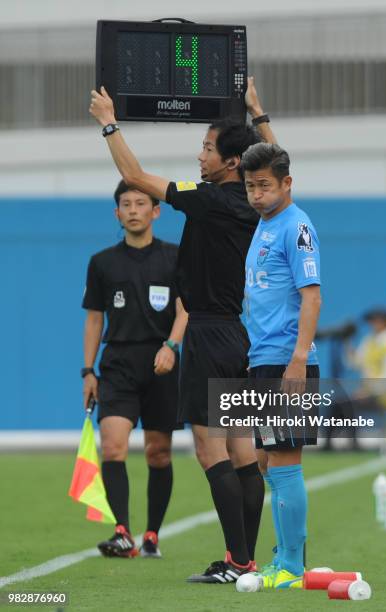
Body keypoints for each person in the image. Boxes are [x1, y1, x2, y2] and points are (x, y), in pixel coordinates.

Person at [89, 78, 276, 582]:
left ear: (231, 163)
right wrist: (257, 115)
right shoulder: (256, 202)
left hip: (210, 334)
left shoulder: (210, 200)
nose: (200, 155)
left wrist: (108, 122)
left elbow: (134, 175)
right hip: (237, 333)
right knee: (241, 451)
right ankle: (245, 561)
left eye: (207, 147)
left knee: (210, 449)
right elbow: (275, 163)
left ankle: (237, 562)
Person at [82, 180, 188, 558]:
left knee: (158, 453)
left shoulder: (176, 257)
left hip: (162, 364)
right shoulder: (102, 263)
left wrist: (172, 346)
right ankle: (123, 532)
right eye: (125, 204)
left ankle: (152, 535)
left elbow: (184, 308)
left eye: (140, 203)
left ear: (155, 211)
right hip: (117, 366)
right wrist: (87, 371)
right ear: (117, 213)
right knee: (113, 447)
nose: (132, 209)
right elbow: (95, 319)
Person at [241, 142, 322, 588]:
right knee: (266, 461)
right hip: (262, 361)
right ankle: (285, 555)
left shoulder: (296, 226)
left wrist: (296, 361)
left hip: (285, 362)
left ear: (287, 184)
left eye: (265, 186)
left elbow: (312, 296)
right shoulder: (264, 224)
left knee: (283, 460)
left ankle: (291, 564)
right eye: (251, 186)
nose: (256, 194)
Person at [323, 308, 386, 449]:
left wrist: (370, 392)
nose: (372, 324)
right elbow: (354, 362)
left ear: (385, 322)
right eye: (371, 321)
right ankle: (328, 444)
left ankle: (353, 443)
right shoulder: (370, 340)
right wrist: (347, 341)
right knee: (337, 404)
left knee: (348, 404)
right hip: (370, 393)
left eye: (376, 320)